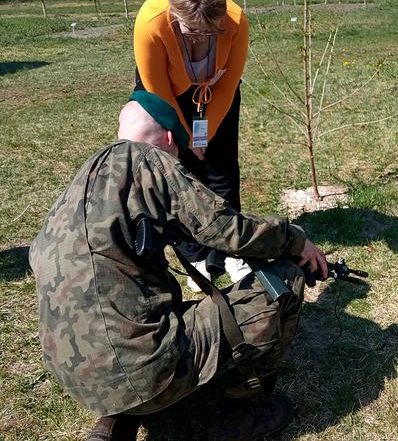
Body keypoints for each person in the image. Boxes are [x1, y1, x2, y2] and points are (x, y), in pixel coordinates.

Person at [30, 90, 328, 441]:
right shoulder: (152, 161)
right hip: (142, 368)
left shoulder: (85, 176)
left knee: (127, 308)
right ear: (170, 139)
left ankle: (114, 420)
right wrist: (295, 241)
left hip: (71, 370)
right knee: (283, 282)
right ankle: (241, 414)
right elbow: (225, 228)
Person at [133, 0, 249, 288]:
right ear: (174, 14)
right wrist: (186, 138)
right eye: (192, 31)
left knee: (223, 166)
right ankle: (193, 252)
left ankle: (229, 249)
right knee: (176, 169)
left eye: (210, 32)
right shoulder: (151, 21)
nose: (201, 38)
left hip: (215, 91)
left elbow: (228, 87)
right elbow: (159, 93)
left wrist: (206, 134)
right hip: (166, 91)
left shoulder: (237, 21)